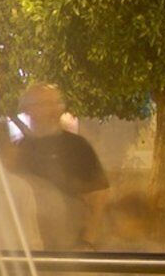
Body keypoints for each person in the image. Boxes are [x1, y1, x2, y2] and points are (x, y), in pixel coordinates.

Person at [11, 83, 110, 228]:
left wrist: (88, 242)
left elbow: (99, 196)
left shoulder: (78, 147)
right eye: (45, 104)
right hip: (29, 240)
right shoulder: (18, 149)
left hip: (69, 240)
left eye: (56, 103)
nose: (54, 110)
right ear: (28, 110)